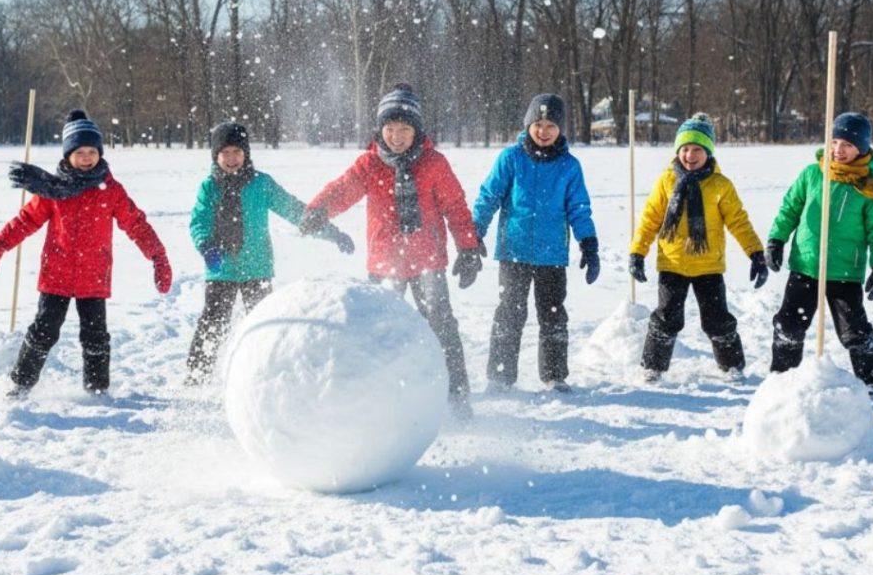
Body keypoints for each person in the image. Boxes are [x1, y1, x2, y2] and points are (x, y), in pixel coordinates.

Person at [301, 84, 481, 419]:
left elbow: (455, 206)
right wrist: (319, 209)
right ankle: (385, 405)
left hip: (428, 262)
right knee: (381, 335)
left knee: (441, 328)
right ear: (380, 129)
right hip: (385, 265)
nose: (397, 136)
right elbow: (343, 189)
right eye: (390, 128)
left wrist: (468, 248)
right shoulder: (370, 165)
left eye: (405, 129)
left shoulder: (433, 163)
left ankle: (457, 399)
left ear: (417, 130)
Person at [0, 109, 172, 398]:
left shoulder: (111, 190)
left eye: (93, 151)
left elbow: (136, 224)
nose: (87, 157)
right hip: (57, 275)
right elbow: (25, 221)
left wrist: (157, 256)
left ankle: (97, 390)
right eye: (80, 152)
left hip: (94, 276)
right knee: (43, 332)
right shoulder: (52, 190)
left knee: (95, 337)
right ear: (67, 155)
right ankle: (19, 384)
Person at [186, 121, 354, 384]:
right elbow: (199, 221)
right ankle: (197, 376)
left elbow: (294, 210)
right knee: (212, 324)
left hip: (257, 267)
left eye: (237, 153)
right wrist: (206, 244)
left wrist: (332, 233)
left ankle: (262, 375)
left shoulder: (261, 184)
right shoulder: (210, 187)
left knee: (264, 326)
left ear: (246, 154)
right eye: (225, 153)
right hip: (221, 268)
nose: (232, 159)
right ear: (215, 156)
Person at [472, 93, 599, 392]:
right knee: (510, 312)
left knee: (553, 313)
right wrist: (473, 233)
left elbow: (578, 208)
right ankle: (501, 376)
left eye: (551, 126)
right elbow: (488, 197)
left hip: (551, 255)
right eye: (538, 124)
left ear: (560, 130)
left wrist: (589, 243)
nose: (544, 131)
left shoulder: (570, 166)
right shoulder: (511, 159)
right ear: (529, 124)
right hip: (513, 251)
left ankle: (555, 375)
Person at [629, 112, 765, 382]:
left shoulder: (720, 185)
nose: (690, 155)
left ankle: (732, 366)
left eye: (698, 149)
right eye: (685, 149)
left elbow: (739, 221)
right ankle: (652, 366)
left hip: (708, 266)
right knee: (667, 318)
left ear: (709, 152)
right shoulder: (667, 181)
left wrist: (756, 253)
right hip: (672, 263)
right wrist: (637, 252)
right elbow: (650, 219)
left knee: (717, 319)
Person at [765, 111, 873, 396]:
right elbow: (790, 208)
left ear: (862, 148)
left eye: (847, 145)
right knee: (789, 325)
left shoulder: (871, 190)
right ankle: (781, 379)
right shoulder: (812, 174)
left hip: (844, 272)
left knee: (854, 332)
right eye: (835, 142)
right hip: (805, 266)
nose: (838, 150)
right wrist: (776, 239)